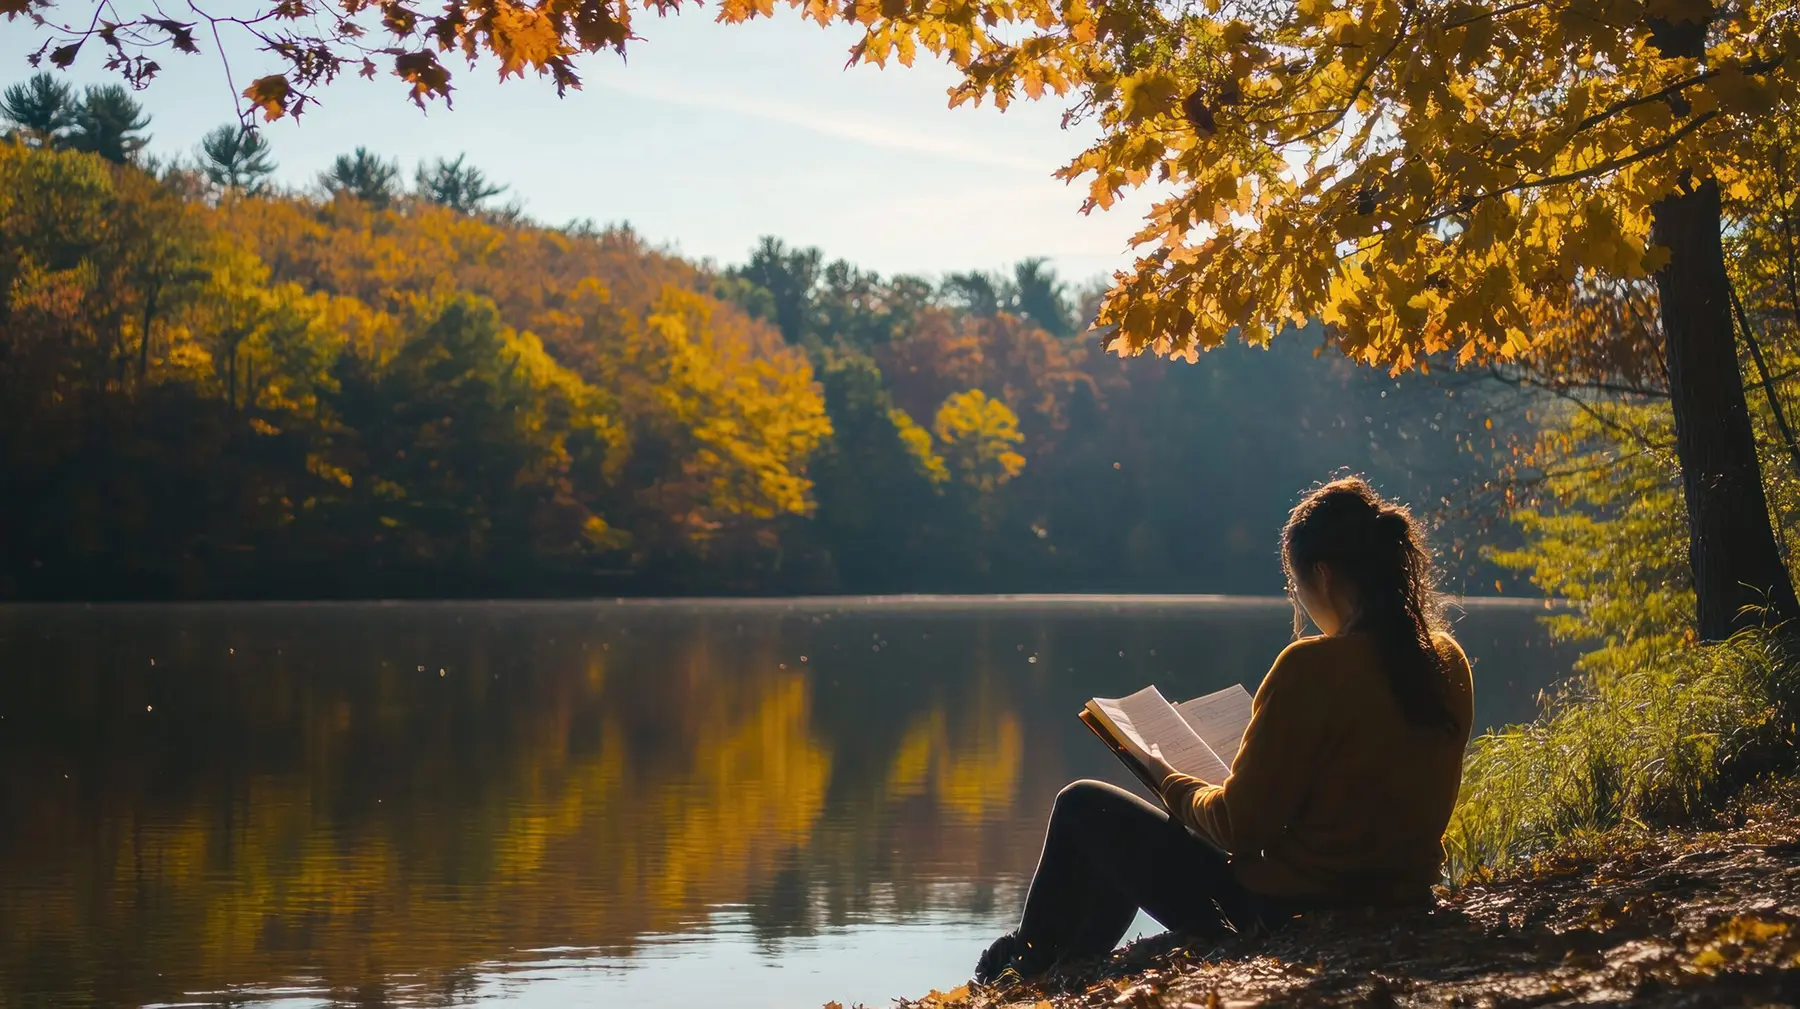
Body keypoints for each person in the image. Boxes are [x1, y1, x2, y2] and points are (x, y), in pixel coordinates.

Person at [973, 476, 1476, 984]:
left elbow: (1239, 827)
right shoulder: (1445, 659)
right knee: (1136, 830)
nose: (1301, 601)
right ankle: (1060, 964)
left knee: (1085, 804)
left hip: (1282, 911)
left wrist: (1164, 775)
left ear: (1322, 576)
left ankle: (1027, 963)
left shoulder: (1313, 667)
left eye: (1296, 587)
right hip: (1399, 893)